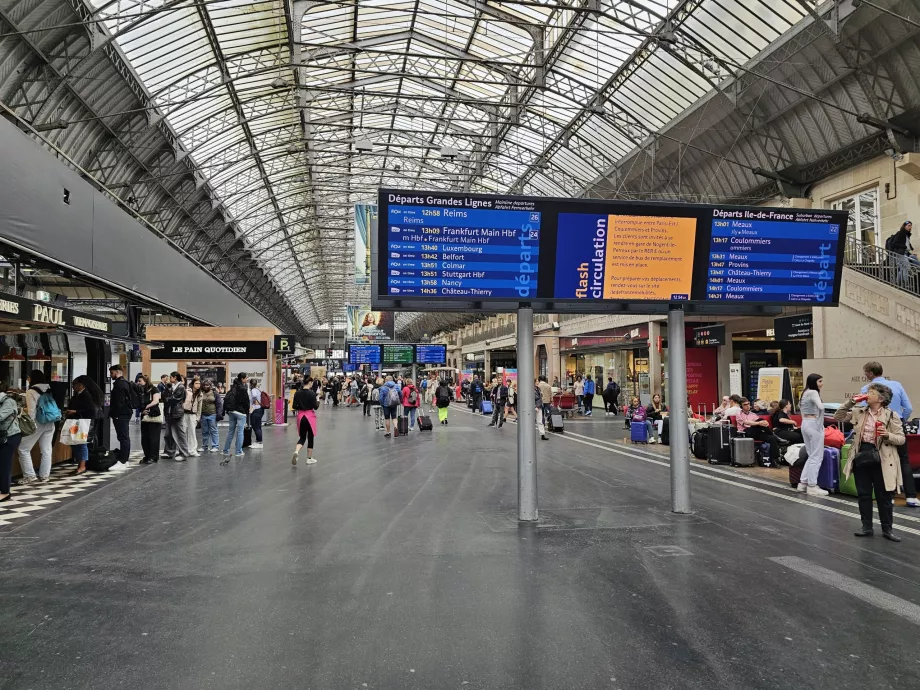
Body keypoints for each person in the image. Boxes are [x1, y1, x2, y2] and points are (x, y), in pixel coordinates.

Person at [836, 383, 905, 541]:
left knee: (884, 496)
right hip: (862, 455)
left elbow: (901, 439)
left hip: (883, 457)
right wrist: (850, 402)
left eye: (871, 393)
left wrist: (887, 435)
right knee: (864, 494)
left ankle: (887, 529)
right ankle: (866, 526)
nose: (867, 395)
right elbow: (838, 416)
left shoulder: (891, 415)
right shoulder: (859, 412)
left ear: (880, 398)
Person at [859, 361, 917, 507]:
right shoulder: (897, 384)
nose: (865, 375)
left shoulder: (867, 389)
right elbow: (908, 407)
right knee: (904, 459)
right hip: (897, 424)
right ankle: (910, 496)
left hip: (877, 427)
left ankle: (888, 495)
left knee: (882, 460)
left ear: (870, 373)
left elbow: (863, 410)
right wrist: (900, 420)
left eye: (866, 372)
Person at [15, 370, 57, 484]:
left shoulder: (31, 391)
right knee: (46, 449)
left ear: (32, 378)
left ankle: (29, 475)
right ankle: (44, 476)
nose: (28, 379)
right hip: (50, 420)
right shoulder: (48, 387)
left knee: (23, 448)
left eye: (28, 378)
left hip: (38, 423)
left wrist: (26, 419)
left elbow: (32, 412)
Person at [798, 374, 828, 496]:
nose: (822, 383)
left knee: (811, 455)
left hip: (805, 423)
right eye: (820, 381)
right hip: (814, 424)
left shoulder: (804, 393)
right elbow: (820, 406)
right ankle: (812, 486)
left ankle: (803, 483)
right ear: (814, 382)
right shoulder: (813, 393)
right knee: (817, 456)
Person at [735, 398, 782, 464]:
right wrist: (759, 423)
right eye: (745, 404)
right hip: (745, 432)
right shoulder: (739, 414)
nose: (747, 405)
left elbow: (760, 423)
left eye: (748, 404)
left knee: (771, 438)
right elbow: (746, 423)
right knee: (760, 420)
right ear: (741, 406)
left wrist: (764, 422)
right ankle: (776, 436)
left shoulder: (753, 414)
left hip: (756, 432)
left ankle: (775, 459)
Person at [105, 365, 134, 471]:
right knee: (124, 437)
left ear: (117, 372)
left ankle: (122, 461)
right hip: (125, 413)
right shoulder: (125, 383)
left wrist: (114, 413)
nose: (110, 375)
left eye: (111, 373)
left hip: (120, 414)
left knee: (123, 437)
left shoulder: (119, 385)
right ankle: (125, 460)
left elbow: (118, 401)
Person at [0, 381, 23, 503]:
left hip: (10, 436)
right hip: (2, 435)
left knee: (4, 464)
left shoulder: (8, 401)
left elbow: (0, 417)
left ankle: (5, 492)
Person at [162, 372, 192, 461]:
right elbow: (164, 396)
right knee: (168, 434)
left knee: (179, 433)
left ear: (175, 378)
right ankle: (169, 452)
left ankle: (183, 453)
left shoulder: (181, 387)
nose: (169, 379)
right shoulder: (171, 386)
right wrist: (167, 390)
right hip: (169, 412)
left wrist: (167, 399)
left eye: (170, 377)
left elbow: (175, 399)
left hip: (176, 413)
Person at [221, 373, 250, 461]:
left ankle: (225, 450)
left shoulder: (233, 387)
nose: (247, 379)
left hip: (232, 411)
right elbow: (246, 401)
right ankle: (238, 451)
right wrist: (247, 410)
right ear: (242, 379)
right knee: (240, 432)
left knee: (231, 431)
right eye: (246, 378)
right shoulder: (243, 389)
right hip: (240, 413)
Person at [134, 374, 162, 464]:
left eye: (140, 381)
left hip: (153, 415)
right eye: (138, 381)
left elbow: (156, 401)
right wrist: (141, 410)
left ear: (145, 381)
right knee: (145, 437)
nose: (138, 383)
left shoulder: (154, 389)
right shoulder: (141, 391)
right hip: (144, 416)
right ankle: (147, 456)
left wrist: (145, 407)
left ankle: (153, 457)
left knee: (153, 437)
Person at [292, 378, 319, 465]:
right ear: (310, 383)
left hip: (301, 417)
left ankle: (296, 451)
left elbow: (294, 406)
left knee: (302, 437)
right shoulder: (312, 394)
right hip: (309, 417)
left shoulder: (297, 393)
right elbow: (315, 407)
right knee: (310, 437)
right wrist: (317, 400)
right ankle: (309, 458)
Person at [197, 379, 220, 452]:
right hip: (203, 415)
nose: (206, 386)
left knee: (214, 431)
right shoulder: (201, 393)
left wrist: (219, 415)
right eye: (204, 385)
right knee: (204, 431)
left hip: (212, 414)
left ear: (210, 386)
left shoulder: (215, 393)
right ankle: (205, 446)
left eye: (208, 385)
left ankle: (215, 446)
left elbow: (219, 404)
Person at [889, 220, 913, 285]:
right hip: (900, 254)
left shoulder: (907, 235)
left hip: (905, 253)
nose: (910, 227)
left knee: (903, 268)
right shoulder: (900, 233)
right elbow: (894, 244)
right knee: (906, 267)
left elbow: (907, 246)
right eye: (908, 226)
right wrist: (904, 247)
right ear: (904, 226)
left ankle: (897, 283)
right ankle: (906, 283)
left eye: (911, 226)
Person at [183, 378, 201, 457]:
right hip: (184, 413)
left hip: (193, 414)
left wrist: (198, 418)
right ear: (193, 384)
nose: (198, 385)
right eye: (196, 383)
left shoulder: (200, 394)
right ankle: (182, 450)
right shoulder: (187, 391)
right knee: (183, 432)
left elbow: (199, 407)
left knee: (192, 433)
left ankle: (192, 450)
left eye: (199, 383)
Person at [248, 378, 264, 449]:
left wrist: (254, 403)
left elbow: (254, 396)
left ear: (251, 384)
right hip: (260, 409)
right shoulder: (258, 390)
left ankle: (259, 442)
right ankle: (258, 440)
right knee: (258, 426)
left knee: (255, 426)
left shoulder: (254, 390)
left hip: (256, 409)